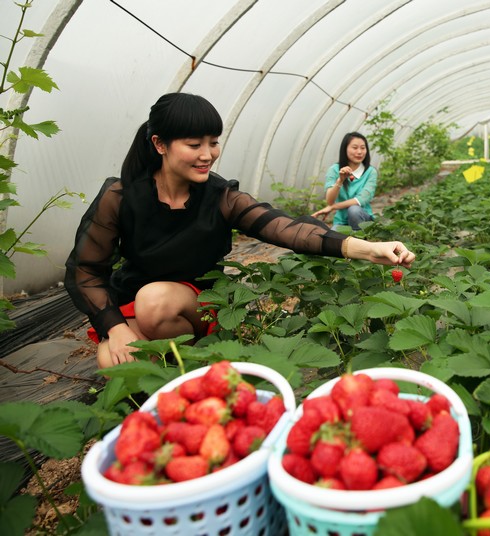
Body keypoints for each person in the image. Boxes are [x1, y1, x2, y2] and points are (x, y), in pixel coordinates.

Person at [65, 93, 415, 369]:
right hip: (134, 302)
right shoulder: (121, 196)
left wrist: (369, 248)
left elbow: (285, 228)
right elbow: (84, 271)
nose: (208, 155)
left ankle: (198, 360)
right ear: (160, 144)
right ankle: (172, 375)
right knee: (111, 359)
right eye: (194, 144)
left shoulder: (219, 197)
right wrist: (115, 328)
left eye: (213, 142)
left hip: (193, 305)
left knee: (153, 301)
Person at [311, 132, 377, 230]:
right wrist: (340, 180)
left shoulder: (370, 172)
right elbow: (330, 200)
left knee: (354, 210)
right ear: (345, 149)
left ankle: (360, 237)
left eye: (363, 148)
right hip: (342, 221)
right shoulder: (334, 170)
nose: (359, 152)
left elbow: (361, 200)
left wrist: (333, 207)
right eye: (355, 148)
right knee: (331, 239)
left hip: (364, 220)